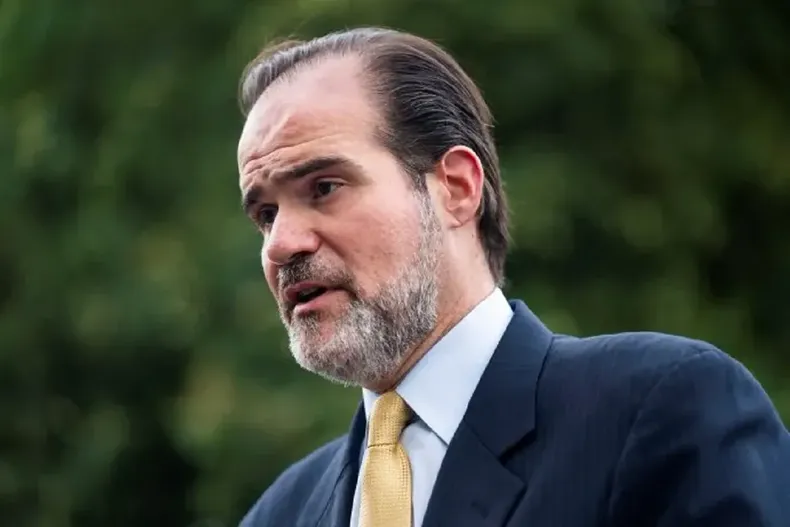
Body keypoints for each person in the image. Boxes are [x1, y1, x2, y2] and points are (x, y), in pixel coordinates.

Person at [234, 27, 790, 527]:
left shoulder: (661, 413)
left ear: (456, 188)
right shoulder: (279, 513)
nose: (281, 244)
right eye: (266, 214)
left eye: (324, 188)